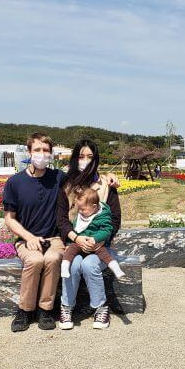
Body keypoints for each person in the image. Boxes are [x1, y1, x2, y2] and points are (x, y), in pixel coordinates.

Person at [3, 133, 118, 333]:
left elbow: (88, 181)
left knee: (57, 258)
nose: (41, 154)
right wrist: (29, 237)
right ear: (29, 152)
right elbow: (10, 218)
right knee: (36, 261)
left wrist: (109, 177)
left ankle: (47, 310)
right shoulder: (17, 182)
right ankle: (25, 310)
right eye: (37, 150)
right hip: (30, 239)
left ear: (51, 153)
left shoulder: (58, 178)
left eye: (46, 150)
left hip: (60, 240)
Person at [57, 139, 122, 330]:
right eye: (81, 156)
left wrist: (97, 240)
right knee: (74, 264)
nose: (85, 160)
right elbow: (61, 219)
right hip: (74, 243)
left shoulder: (106, 185)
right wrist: (76, 238)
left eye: (90, 157)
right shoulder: (66, 186)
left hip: (99, 245)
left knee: (90, 263)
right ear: (75, 158)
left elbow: (115, 220)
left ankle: (101, 307)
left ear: (96, 159)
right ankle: (66, 306)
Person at [61, 188, 124, 280]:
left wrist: (95, 239)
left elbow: (107, 230)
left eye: (83, 209)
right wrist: (71, 242)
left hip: (95, 243)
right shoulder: (81, 215)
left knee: (104, 254)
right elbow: (75, 230)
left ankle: (115, 268)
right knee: (70, 250)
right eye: (79, 209)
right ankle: (64, 267)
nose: (80, 212)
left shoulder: (102, 216)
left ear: (94, 207)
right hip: (80, 243)